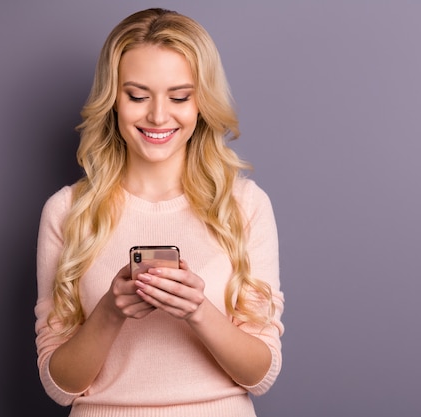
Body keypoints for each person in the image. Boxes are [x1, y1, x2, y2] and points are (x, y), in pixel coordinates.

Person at [34, 8, 284, 417]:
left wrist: (198, 311)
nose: (158, 116)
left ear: (202, 102)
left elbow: (261, 374)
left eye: (180, 96)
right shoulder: (67, 211)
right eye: (137, 95)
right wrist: (111, 312)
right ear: (112, 99)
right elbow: (59, 385)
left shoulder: (245, 205)